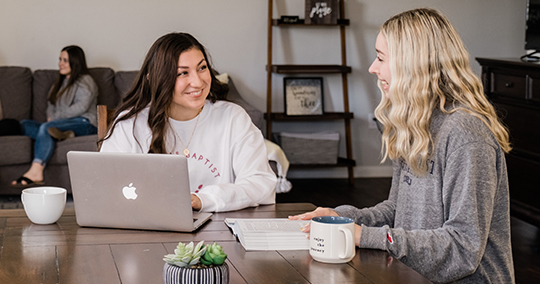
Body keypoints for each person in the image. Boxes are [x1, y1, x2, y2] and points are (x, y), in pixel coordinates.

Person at [290, 8, 515, 283]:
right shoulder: (417, 123)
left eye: (381, 58)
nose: (373, 67)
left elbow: (462, 248)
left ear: (413, 64)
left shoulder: (466, 135)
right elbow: (397, 212)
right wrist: (342, 218)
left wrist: (364, 235)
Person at [100, 32, 276, 212]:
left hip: (220, 233)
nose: (198, 82)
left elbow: (261, 184)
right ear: (154, 79)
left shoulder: (233, 118)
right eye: (183, 73)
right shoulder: (130, 124)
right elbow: (103, 188)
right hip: (146, 230)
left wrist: (202, 200)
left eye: (202, 68)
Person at [12, 45, 98, 187]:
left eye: (65, 60)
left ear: (75, 62)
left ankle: (36, 170)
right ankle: (61, 134)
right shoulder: (58, 84)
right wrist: (51, 117)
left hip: (84, 123)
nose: (60, 63)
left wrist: (55, 119)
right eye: (60, 59)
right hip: (59, 124)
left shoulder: (86, 80)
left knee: (47, 128)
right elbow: (50, 105)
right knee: (24, 124)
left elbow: (81, 107)